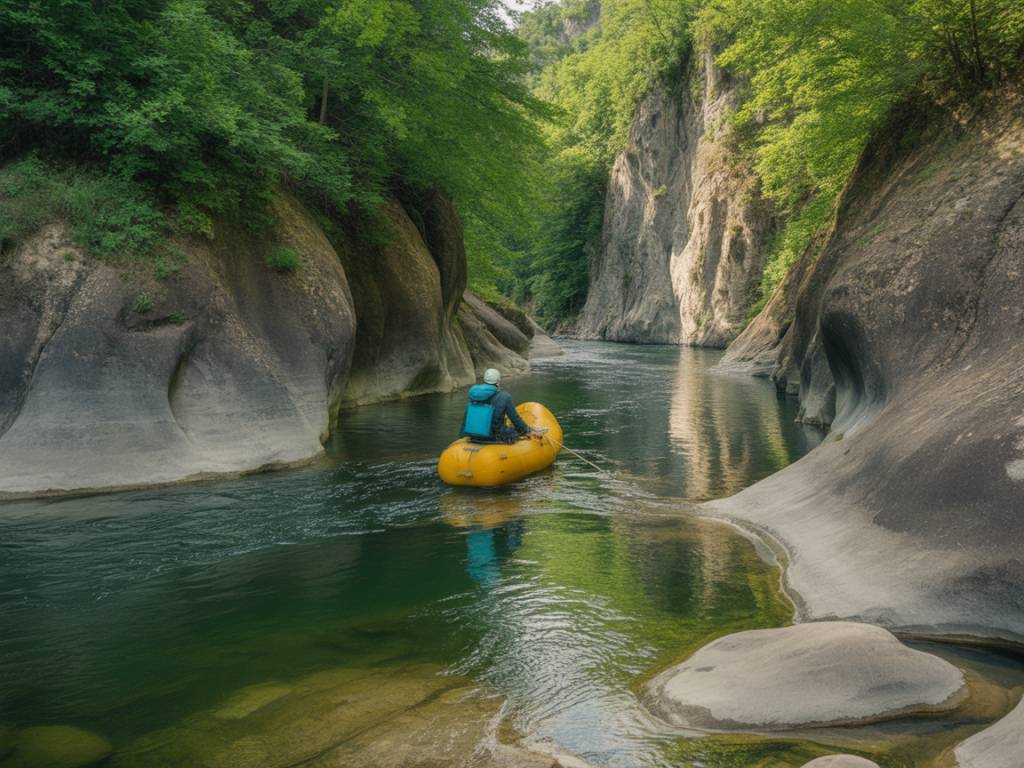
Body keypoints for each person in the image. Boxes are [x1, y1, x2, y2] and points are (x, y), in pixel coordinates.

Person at [459, 368, 544, 443]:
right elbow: (515, 419)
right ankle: (530, 429)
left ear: (484, 380)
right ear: (498, 382)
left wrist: (462, 435)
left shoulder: (474, 395)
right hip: (493, 437)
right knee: (514, 430)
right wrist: (526, 431)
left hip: (472, 435)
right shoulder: (505, 397)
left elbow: (467, 417)